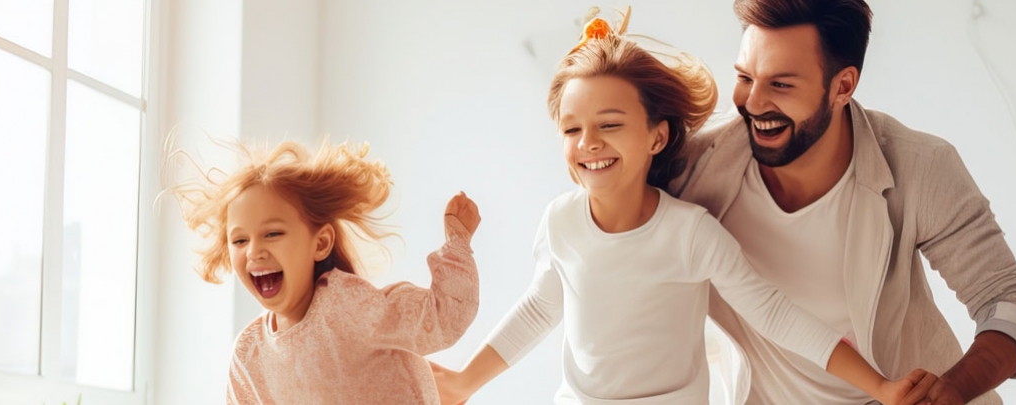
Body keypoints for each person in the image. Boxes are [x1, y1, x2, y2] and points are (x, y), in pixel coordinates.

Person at [430, 7, 939, 405]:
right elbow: (541, 306)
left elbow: (775, 313)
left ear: (657, 136)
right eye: (571, 129)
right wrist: (463, 382)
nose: (588, 143)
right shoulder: (561, 221)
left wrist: (880, 387)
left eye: (609, 125)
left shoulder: (688, 233)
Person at [672, 0, 1016, 403]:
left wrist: (952, 390)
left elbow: (1006, 298)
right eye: (745, 77)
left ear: (843, 86)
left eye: (781, 84)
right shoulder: (691, 167)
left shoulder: (921, 166)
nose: (754, 103)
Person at [167, 139, 483, 404]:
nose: (254, 251)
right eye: (239, 240)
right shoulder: (249, 354)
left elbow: (442, 320)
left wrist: (458, 242)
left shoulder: (347, 306)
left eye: (273, 233)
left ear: (320, 244)